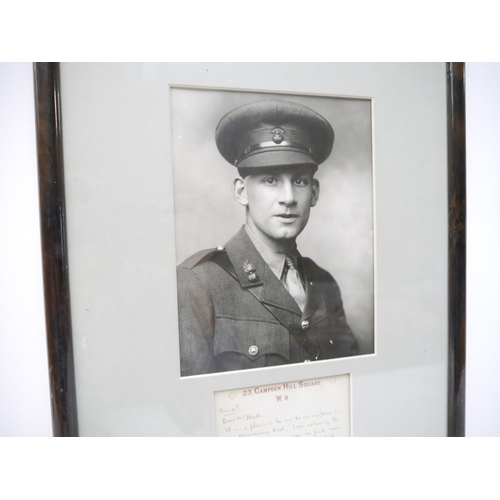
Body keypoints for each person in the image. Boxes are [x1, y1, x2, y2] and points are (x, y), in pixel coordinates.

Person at [177, 99, 358, 376]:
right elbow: (194, 408)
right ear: (241, 191)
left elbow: (349, 383)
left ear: (315, 193)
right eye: (270, 180)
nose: (288, 199)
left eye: (299, 181)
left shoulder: (324, 285)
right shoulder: (197, 283)